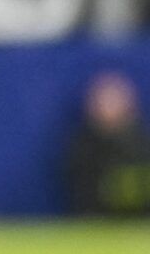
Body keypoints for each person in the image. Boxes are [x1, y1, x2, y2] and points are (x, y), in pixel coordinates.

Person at [63, 72, 150, 218]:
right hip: (97, 224)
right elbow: (82, 195)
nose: (110, 108)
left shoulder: (143, 145)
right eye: (105, 102)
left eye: (115, 101)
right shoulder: (82, 149)